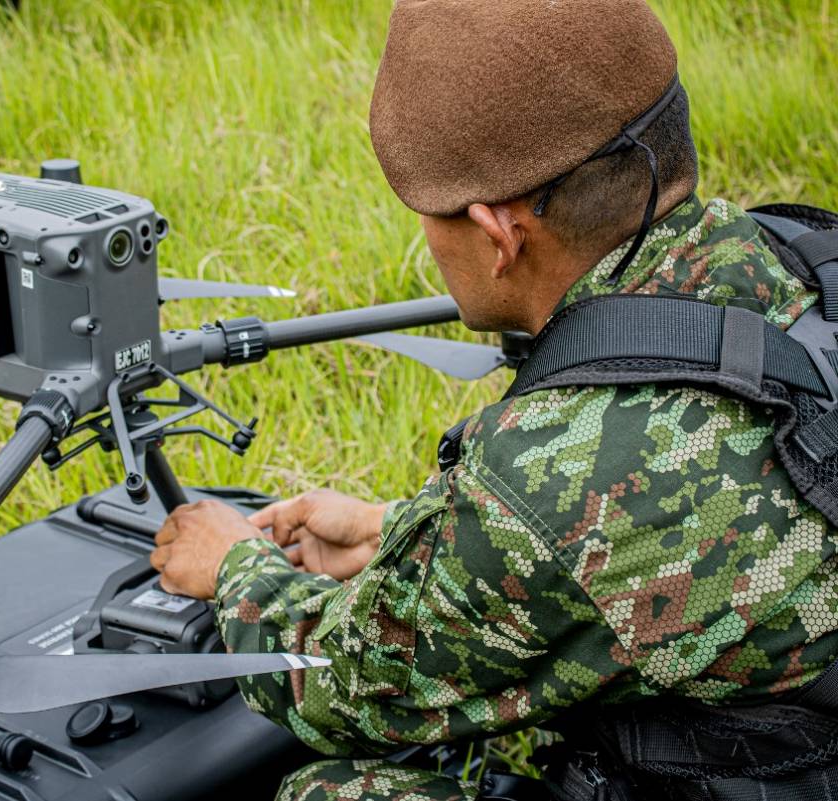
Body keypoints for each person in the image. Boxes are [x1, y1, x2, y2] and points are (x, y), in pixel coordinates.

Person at [150, 1, 838, 799]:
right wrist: (390, 529)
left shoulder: (557, 476)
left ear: (499, 232)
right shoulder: (795, 258)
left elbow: (345, 685)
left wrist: (233, 565)